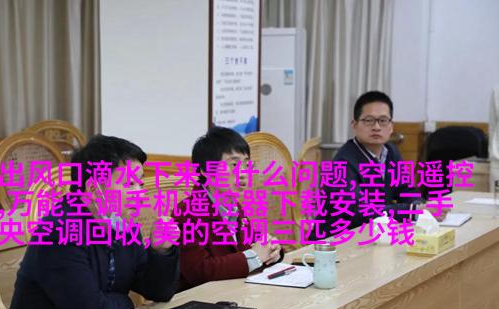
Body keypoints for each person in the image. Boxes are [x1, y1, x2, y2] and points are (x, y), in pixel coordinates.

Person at [0, 135, 180, 309]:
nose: (139, 193)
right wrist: (127, 301)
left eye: (140, 183)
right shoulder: (59, 232)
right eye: (128, 184)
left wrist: (160, 250)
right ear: (93, 188)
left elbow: (158, 291)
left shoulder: (123, 226)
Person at [314, 90, 446, 240]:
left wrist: (422, 207)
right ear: (354, 125)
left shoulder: (391, 152)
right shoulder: (342, 163)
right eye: (369, 120)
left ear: (391, 126)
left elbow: (406, 190)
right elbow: (360, 211)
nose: (376, 127)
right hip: (335, 241)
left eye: (383, 121)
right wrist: (413, 210)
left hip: (373, 235)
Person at [172, 126, 282, 291]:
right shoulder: (187, 212)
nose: (243, 173)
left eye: (246, 165)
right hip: (201, 299)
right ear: (205, 170)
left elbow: (254, 242)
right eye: (234, 165)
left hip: (235, 292)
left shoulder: (234, 206)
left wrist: (273, 250)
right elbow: (198, 271)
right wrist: (255, 256)